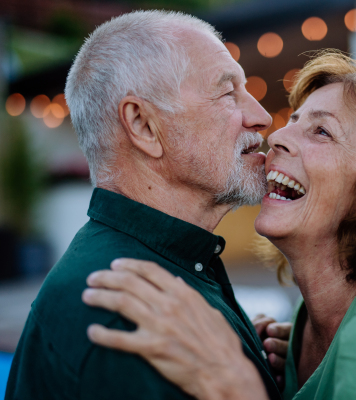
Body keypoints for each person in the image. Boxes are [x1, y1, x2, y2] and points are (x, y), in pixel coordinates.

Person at [82, 51, 356, 399]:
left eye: (322, 131)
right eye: (293, 121)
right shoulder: (303, 326)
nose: (276, 136)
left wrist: (233, 380)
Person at [6, 10, 288, 400]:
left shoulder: (173, 269)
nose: (260, 116)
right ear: (142, 124)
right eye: (228, 93)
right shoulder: (128, 317)